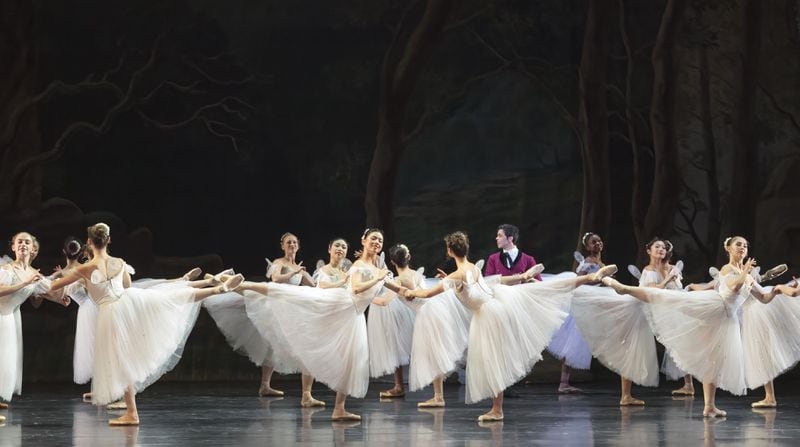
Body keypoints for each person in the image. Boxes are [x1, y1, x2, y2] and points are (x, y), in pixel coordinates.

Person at [404, 231, 617, 421]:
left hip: (488, 315)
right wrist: (447, 281)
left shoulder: (456, 275)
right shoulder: (471, 269)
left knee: (493, 361)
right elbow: (476, 285)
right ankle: (590, 276)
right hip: (497, 303)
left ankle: (497, 410)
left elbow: (427, 293)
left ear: (450, 251)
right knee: (548, 289)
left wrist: (411, 292)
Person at [48, 223, 243, 426]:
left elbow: (54, 286)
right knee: (170, 297)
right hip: (127, 303)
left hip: (109, 312)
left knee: (121, 361)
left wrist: (41, 279)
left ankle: (132, 413)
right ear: (109, 240)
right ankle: (214, 289)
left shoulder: (85, 268)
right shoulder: (120, 262)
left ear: (88, 242)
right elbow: (127, 286)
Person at [601, 236, 791, 417]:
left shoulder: (747, 275)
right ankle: (621, 287)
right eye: (738, 244)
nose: (743, 248)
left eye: (745, 246)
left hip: (727, 319)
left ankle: (709, 407)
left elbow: (764, 298)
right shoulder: (727, 268)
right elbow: (733, 286)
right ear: (729, 248)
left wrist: (780, 290)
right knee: (665, 297)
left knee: (713, 361)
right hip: (713, 308)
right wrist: (745, 272)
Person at [241, 229, 408, 421]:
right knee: (293, 295)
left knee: (352, 361)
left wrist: (420, 293)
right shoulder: (359, 265)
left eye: (380, 240)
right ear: (363, 241)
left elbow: (397, 287)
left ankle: (339, 409)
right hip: (342, 305)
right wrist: (377, 278)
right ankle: (244, 286)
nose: (377, 242)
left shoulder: (378, 267)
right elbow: (356, 287)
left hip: (354, 316)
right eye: (373, 239)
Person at [571, 232, 659, 406]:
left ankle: (626, 395)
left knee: (627, 344)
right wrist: (599, 282)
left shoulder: (601, 263)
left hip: (611, 302)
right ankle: (625, 395)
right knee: (626, 341)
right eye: (593, 242)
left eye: (599, 241)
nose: (597, 244)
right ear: (587, 246)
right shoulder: (587, 263)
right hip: (601, 303)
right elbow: (580, 281)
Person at [0, 232, 69, 411]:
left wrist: (59, 298)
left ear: (34, 249)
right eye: (19, 242)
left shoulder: (33, 274)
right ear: (13, 247)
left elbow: (37, 298)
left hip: (10, 316)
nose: (23, 244)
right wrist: (25, 284)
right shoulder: (7, 269)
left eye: (27, 242)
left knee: (6, 360)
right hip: (1, 314)